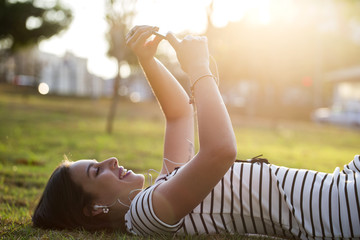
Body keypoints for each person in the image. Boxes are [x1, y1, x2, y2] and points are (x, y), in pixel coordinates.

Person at [32, 25, 360, 239]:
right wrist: (199, 69)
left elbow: (179, 115)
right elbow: (219, 152)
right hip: (339, 213)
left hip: (342, 183)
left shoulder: (162, 188)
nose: (112, 160)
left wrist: (146, 59)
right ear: (94, 209)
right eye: (96, 170)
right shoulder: (146, 215)